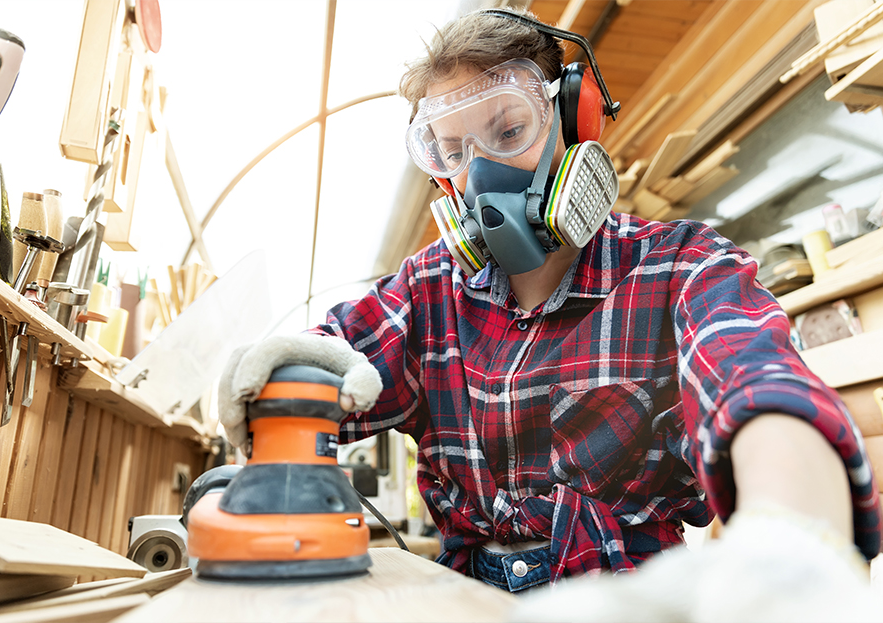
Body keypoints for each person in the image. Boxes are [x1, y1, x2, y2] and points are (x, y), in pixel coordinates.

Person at [218, 7, 882, 611]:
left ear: (575, 120)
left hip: (629, 600)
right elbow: (324, 367)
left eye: (507, 130)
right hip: (464, 597)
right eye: (451, 152)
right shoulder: (427, 292)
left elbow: (758, 385)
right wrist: (286, 379)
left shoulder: (681, 269)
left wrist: (791, 548)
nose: (479, 175)